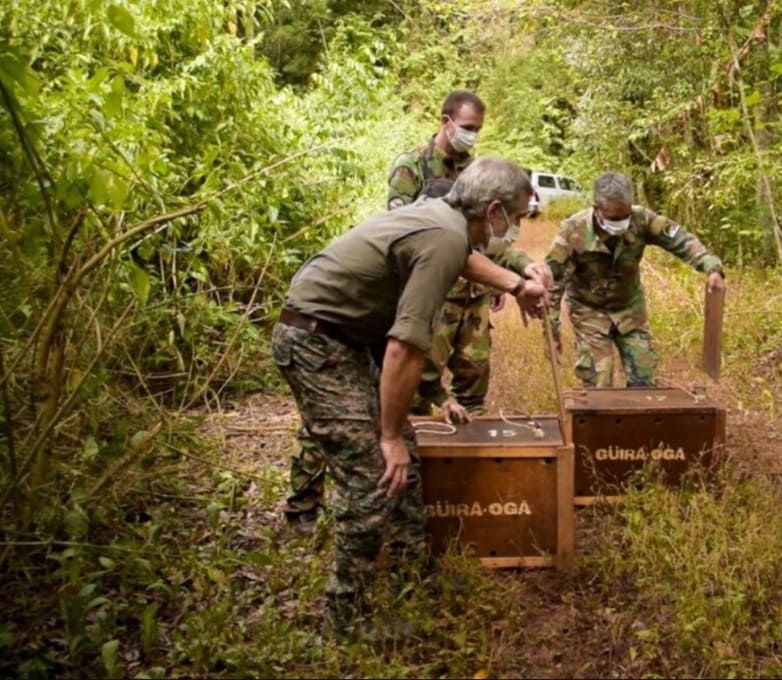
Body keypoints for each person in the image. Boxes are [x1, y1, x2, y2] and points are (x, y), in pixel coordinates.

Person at [271, 158, 548, 628]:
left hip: (343, 336)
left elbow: (463, 259)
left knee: (408, 464)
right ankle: (348, 616)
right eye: (518, 218)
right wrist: (390, 435)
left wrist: (517, 284)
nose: (518, 229)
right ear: (495, 210)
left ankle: (411, 576)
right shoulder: (444, 234)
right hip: (315, 341)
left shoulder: (445, 219)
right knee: (375, 472)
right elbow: (404, 346)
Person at [385, 91, 542, 422]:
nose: (473, 135)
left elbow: (489, 235)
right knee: (418, 380)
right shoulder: (411, 166)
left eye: (478, 129)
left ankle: (474, 454)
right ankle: (413, 449)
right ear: (447, 122)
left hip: (475, 291)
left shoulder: (475, 170)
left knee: (474, 377)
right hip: (437, 288)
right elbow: (407, 233)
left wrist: (506, 275)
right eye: (468, 126)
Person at [545, 171, 726, 388]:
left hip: (629, 308)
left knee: (644, 376)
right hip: (588, 310)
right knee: (598, 380)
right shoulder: (573, 231)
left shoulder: (643, 219)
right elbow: (552, 283)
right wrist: (551, 332)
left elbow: (681, 240)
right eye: (614, 218)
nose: (621, 223)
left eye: (626, 215)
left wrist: (711, 267)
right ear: (597, 209)